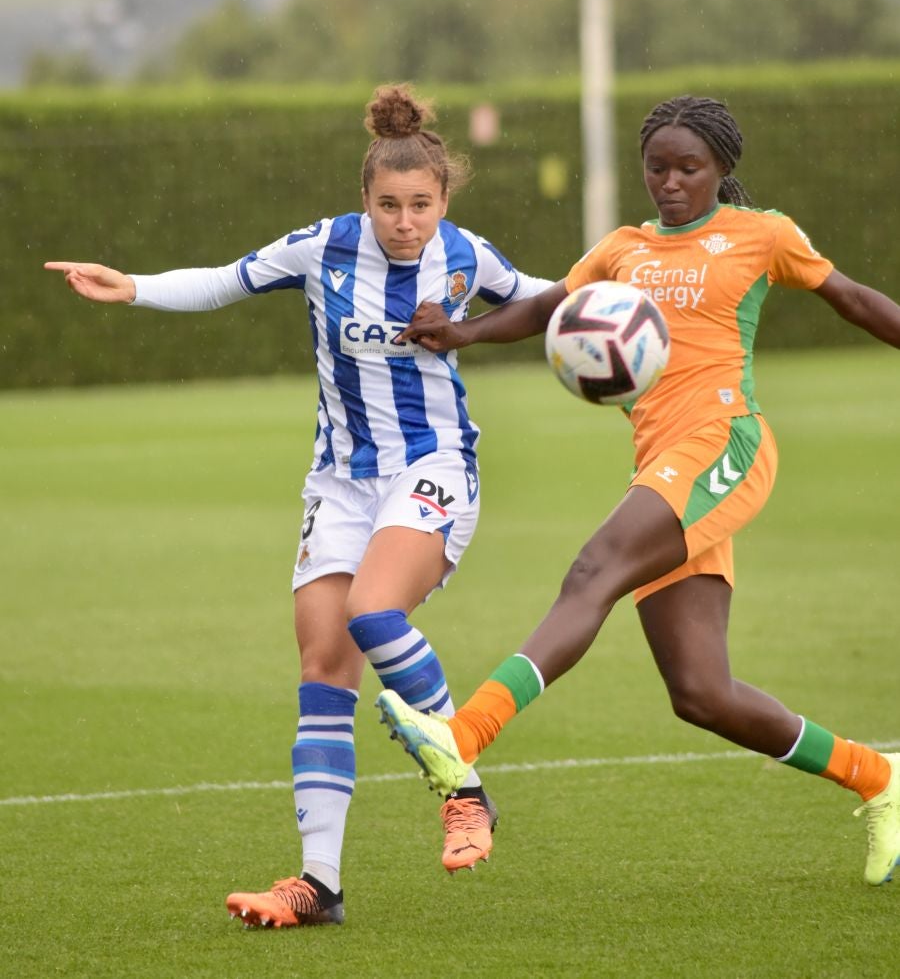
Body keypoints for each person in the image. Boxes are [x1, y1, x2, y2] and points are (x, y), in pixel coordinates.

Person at [44, 83, 555, 927]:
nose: (405, 221)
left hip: (431, 465)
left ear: (444, 200)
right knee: (323, 669)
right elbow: (222, 281)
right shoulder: (322, 249)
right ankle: (320, 883)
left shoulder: (467, 256)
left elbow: (549, 297)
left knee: (372, 611)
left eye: (420, 205)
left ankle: (464, 791)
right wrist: (129, 285)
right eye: (388, 205)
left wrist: (630, 295)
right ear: (364, 200)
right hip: (339, 482)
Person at [375, 93, 900, 887]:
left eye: (689, 168)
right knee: (701, 692)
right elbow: (551, 307)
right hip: (663, 464)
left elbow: (852, 299)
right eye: (657, 167)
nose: (671, 182)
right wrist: (467, 332)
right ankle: (880, 778)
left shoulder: (763, 235)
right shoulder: (624, 249)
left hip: (725, 443)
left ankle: (465, 734)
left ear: (722, 169)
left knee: (594, 570)